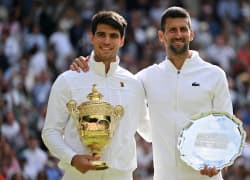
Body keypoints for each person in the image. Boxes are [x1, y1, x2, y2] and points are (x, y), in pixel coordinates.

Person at [70, 7, 233, 179]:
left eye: (183, 29)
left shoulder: (215, 75)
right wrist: (88, 65)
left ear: (191, 34)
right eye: (172, 30)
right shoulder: (145, 77)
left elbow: (227, 127)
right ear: (161, 36)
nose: (178, 34)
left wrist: (219, 161)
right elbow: (109, 80)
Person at [42, 11, 151, 180]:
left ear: (122, 41)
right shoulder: (69, 79)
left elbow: (149, 131)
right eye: (101, 34)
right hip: (78, 175)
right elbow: (50, 132)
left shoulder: (133, 84)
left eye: (113, 36)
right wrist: (73, 158)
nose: (107, 41)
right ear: (91, 37)